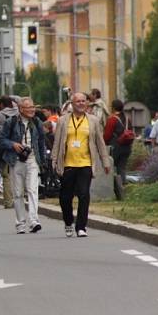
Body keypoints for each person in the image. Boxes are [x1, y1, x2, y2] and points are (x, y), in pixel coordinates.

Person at [51, 92, 111, 238]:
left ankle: (81, 226)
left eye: (83, 101)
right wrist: (54, 160)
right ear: (72, 103)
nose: (81, 103)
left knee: (84, 194)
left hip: (85, 163)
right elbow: (57, 142)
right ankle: (68, 221)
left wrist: (105, 161)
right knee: (66, 197)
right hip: (67, 164)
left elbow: (100, 143)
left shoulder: (93, 121)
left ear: (87, 103)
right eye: (78, 101)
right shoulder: (63, 120)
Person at [2, 98, 46, 233]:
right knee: (18, 193)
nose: (32, 109)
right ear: (21, 109)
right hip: (16, 160)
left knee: (33, 190)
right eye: (29, 107)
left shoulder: (37, 122)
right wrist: (13, 144)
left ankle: (34, 220)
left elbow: (41, 141)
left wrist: (42, 161)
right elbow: (1, 139)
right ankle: (20, 224)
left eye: (33, 107)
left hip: (32, 159)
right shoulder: (11, 122)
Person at [0, 96, 19, 209]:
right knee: (18, 173)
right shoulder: (18, 112)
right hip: (18, 144)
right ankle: (19, 199)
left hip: (4, 145)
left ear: (1, 104)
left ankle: (8, 201)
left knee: (6, 174)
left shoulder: (0, 115)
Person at [103, 99, 132, 201]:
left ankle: (110, 190)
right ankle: (123, 190)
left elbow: (107, 135)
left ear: (113, 107)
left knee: (109, 167)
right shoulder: (127, 119)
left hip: (116, 147)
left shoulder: (112, 119)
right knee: (121, 168)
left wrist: (103, 144)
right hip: (127, 147)